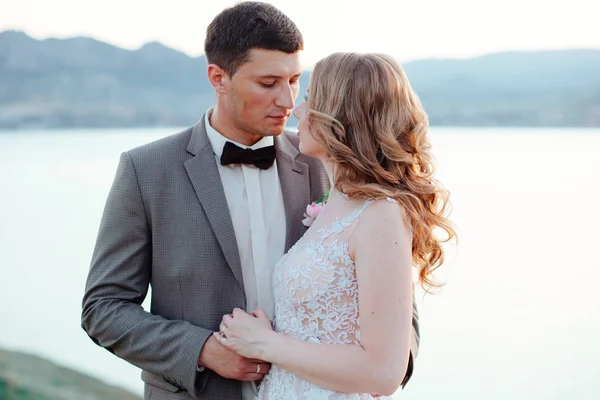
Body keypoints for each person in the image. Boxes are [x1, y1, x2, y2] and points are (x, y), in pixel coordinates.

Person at [81, 2, 419, 399]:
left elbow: (394, 298)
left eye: (295, 81)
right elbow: (104, 307)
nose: (288, 101)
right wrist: (202, 351)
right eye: (268, 83)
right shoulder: (148, 170)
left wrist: (385, 369)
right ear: (218, 77)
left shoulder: (325, 161)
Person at [214, 52, 455, 399]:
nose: (297, 110)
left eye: (311, 100)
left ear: (342, 117)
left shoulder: (381, 215)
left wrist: (265, 343)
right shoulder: (334, 204)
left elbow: (384, 373)